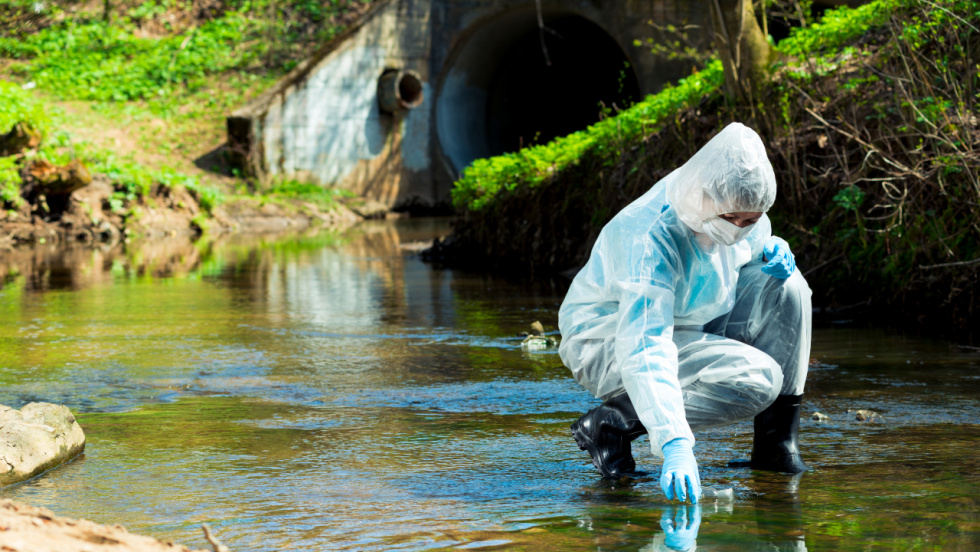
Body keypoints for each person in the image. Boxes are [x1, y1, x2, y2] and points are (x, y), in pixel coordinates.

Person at [558, 122, 812, 503]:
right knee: (758, 380)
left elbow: (746, 247)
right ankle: (613, 422)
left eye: (753, 220)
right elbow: (645, 343)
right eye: (733, 220)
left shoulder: (737, 204)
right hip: (608, 339)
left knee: (789, 286)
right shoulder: (652, 235)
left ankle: (776, 445)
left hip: (693, 320)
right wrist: (674, 443)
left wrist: (772, 245)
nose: (742, 229)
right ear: (708, 199)